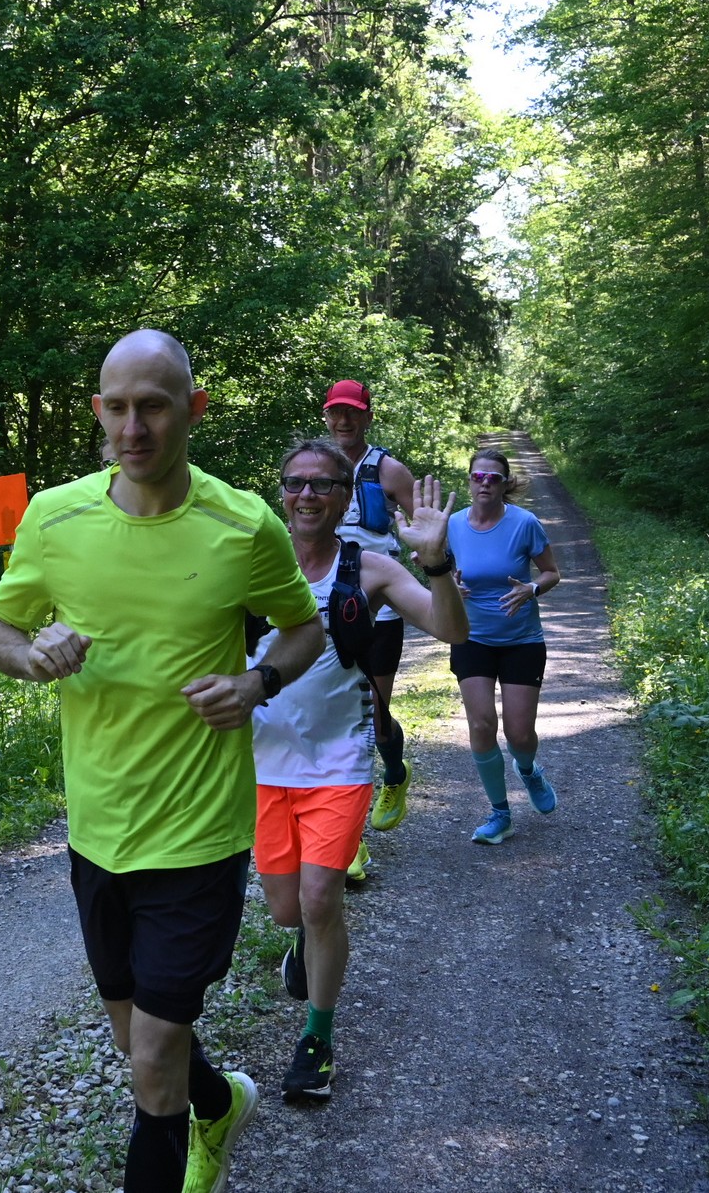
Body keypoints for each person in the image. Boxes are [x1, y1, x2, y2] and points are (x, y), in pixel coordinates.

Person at [0, 330, 324, 1193]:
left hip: (200, 832)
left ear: (193, 410)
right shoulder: (54, 517)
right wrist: (30, 654)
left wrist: (256, 681)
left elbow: (304, 627)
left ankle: (186, 1130)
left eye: (154, 407)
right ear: (98, 410)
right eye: (118, 407)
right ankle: (221, 1102)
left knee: (155, 1053)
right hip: (98, 828)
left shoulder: (243, 522)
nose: (133, 428)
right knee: (138, 1042)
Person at [250, 438, 467, 1102]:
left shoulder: (369, 568)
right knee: (287, 908)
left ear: (346, 497)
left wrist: (437, 562)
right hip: (261, 764)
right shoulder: (248, 566)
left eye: (323, 484)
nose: (307, 494)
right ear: (281, 493)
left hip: (338, 762)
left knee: (321, 899)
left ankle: (317, 1040)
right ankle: (304, 946)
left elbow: (451, 629)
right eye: (296, 482)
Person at [319, 380, 419, 860]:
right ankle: (350, 840)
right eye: (336, 413)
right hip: (329, 605)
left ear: (367, 417)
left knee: (376, 721)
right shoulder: (318, 468)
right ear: (326, 416)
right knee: (339, 719)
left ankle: (395, 773)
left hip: (381, 607)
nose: (344, 421)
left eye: (353, 413)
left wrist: (436, 560)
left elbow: (425, 526)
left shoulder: (389, 470)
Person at [448, 446, 562, 844]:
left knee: (519, 735)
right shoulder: (453, 524)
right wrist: (449, 585)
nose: (484, 484)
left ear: (504, 484)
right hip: (471, 637)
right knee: (481, 725)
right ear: (469, 481)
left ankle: (528, 771)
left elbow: (551, 572)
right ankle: (500, 814)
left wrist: (531, 589)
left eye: (493, 478)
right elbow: (437, 567)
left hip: (521, 640)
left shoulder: (524, 523)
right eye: (478, 477)